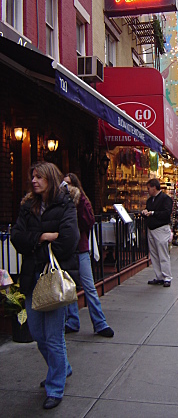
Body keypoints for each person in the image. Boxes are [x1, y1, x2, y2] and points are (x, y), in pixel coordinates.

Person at [11, 162, 80, 410]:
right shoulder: (27, 206)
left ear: (50, 178)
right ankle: (62, 368)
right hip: (31, 278)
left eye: (39, 176)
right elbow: (16, 237)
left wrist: (36, 246)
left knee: (53, 337)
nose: (34, 180)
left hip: (52, 279)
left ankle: (55, 386)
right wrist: (42, 236)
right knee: (38, 334)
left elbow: (69, 240)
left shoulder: (65, 204)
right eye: (32, 176)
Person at [63, 173, 114, 338]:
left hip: (81, 248)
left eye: (69, 184)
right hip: (65, 250)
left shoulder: (81, 201)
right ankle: (72, 320)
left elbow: (88, 222)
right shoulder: (59, 202)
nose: (66, 187)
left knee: (89, 287)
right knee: (68, 288)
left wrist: (76, 203)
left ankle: (99, 323)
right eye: (64, 184)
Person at [142, 178, 173, 287]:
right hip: (152, 228)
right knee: (154, 254)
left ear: (154, 187)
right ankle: (159, 276)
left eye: (149, 188)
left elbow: (167, 212)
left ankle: (167, 277)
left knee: (163, 253)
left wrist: (153, 213)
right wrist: (145, 212)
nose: (148, 190)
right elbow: (148, 210)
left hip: (161, 228)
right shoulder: (150, 200)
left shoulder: (166, 199)